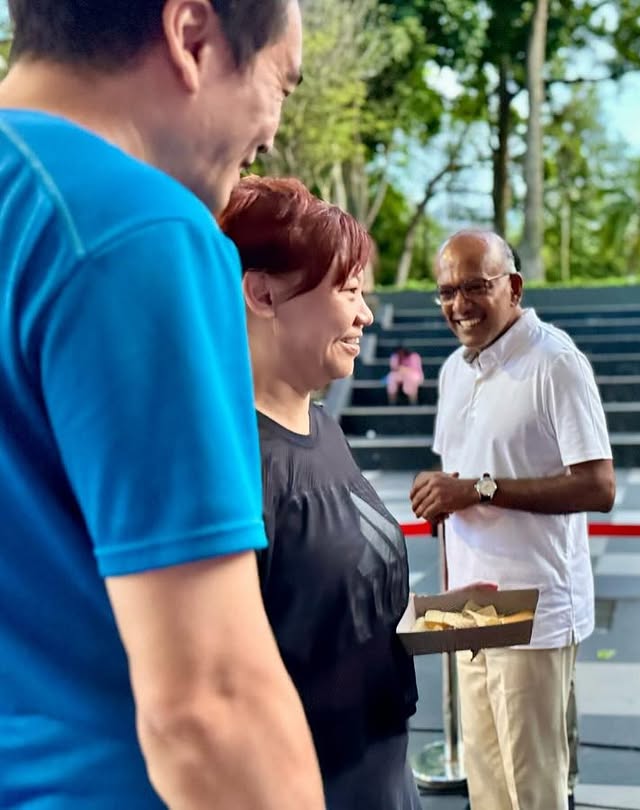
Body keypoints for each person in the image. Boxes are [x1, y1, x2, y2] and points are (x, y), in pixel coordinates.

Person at [0, 3, 323, 809]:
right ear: (192, 37)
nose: (272, 134)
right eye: (281, 83)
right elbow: (209, 706)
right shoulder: (136, 229)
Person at [220, 175, 422, 809]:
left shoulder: (321, 424)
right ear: (263, 293)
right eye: (350, 290)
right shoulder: (231, 463)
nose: (365, 313)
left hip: (382, 767)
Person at [409, 229, 616, 810]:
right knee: (485, 780)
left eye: (476, 286)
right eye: (447, 291)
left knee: (533, 785)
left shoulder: (555, 362)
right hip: (469, 603)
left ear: (514, 286)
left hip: (535, 604)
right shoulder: (454, 370)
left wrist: (477, 490)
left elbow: (599, 486)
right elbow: (459, 474)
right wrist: (439, 495)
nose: (459, 305)